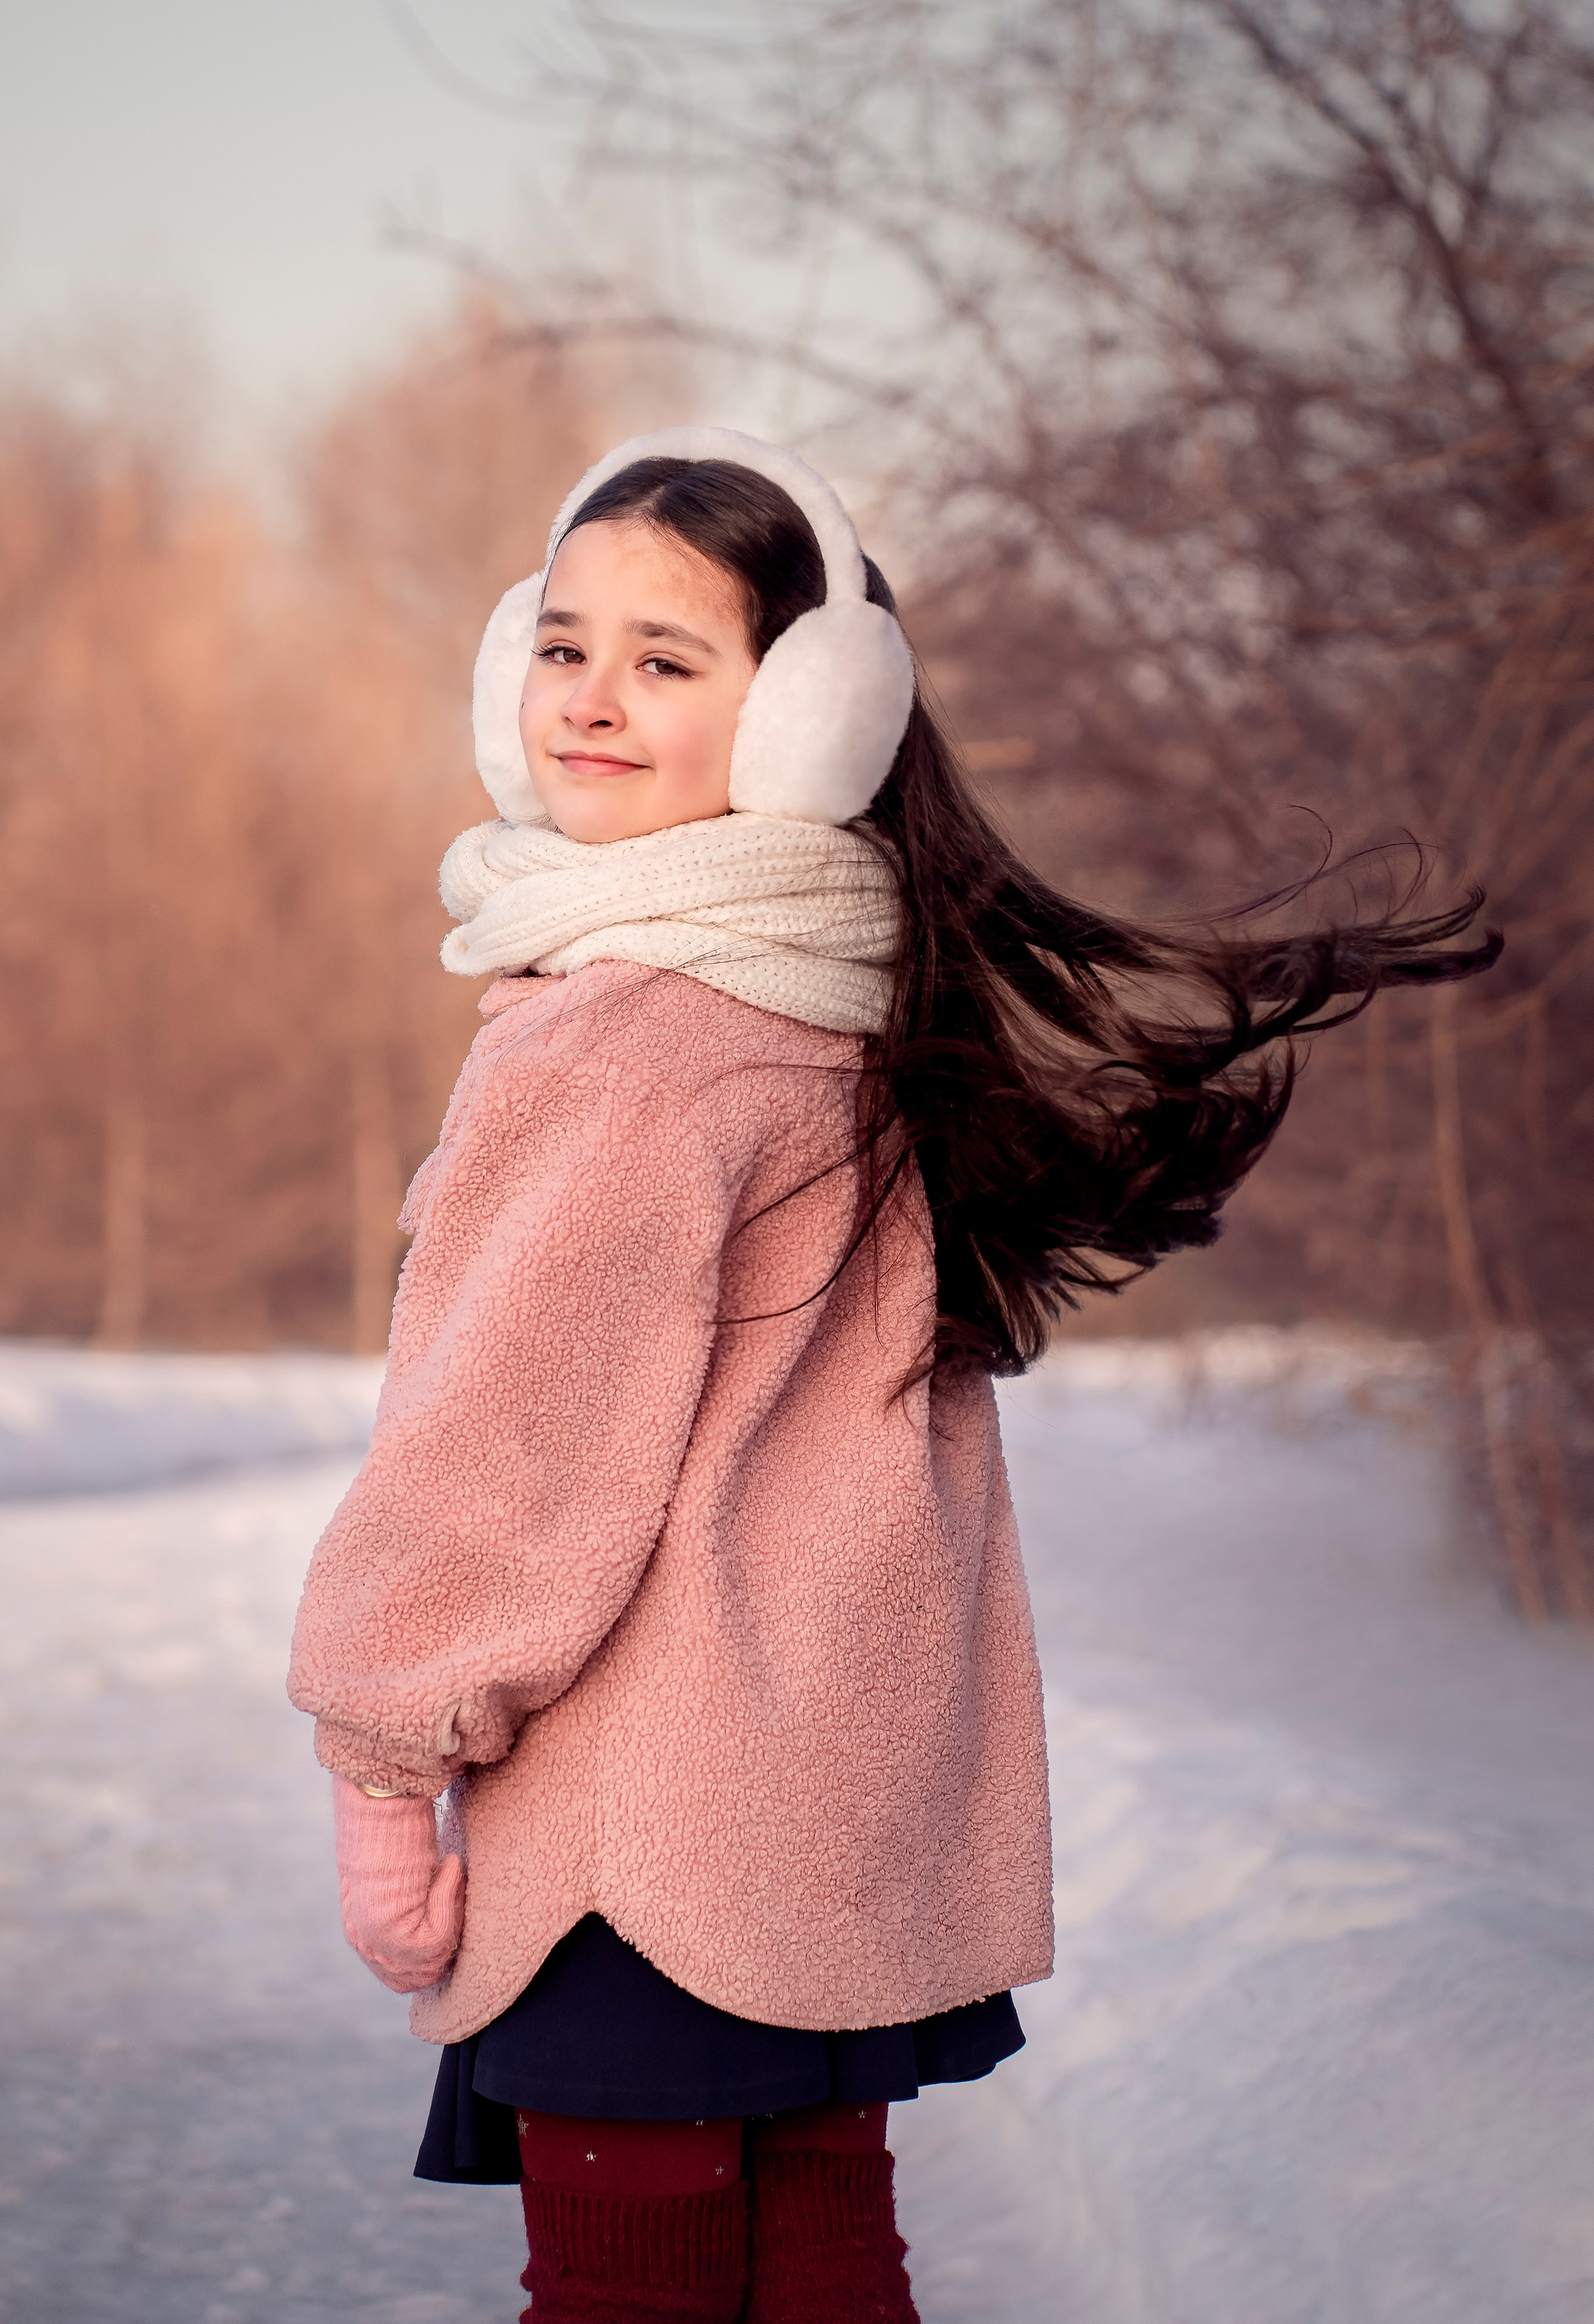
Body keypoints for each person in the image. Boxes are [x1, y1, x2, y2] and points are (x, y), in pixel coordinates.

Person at [288, 426, 1495, 2321]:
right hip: (819, 1813)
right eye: (564, 643)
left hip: (642, 1847)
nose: (591, 701)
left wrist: (383, 1756)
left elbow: (509, 1461)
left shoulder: (624, 1045)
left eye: (668, 663)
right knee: (826, 2261)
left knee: (635, 2292)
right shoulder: (829, 1000)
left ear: (806, 718)